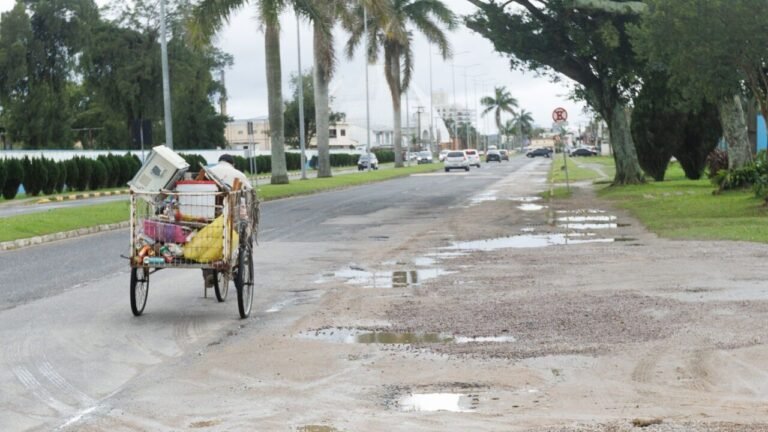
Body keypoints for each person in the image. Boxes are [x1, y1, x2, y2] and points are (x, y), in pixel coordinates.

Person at [203, 154, 254, 289]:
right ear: (233, 164)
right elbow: (249, 193)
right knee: (242, 235)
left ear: (219, 162)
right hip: (232, 216)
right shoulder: (239, 174)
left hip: (209, 216)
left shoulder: (209, 172)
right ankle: (236, 267)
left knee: (203, 240)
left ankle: (207, 271)